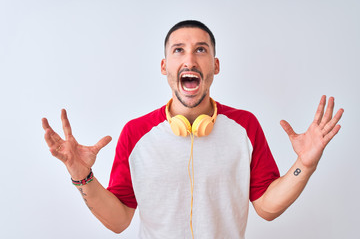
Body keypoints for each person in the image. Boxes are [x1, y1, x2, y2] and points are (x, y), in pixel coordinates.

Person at [42, 20, 344, 239]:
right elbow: (119, 219)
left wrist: (305, 165)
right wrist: (80, 175)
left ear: (215, 65)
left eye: (200, 50)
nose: (189, 59)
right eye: (178, 50)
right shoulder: (136, 133)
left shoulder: (245, 126)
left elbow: (266, 206)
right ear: (164, 66)